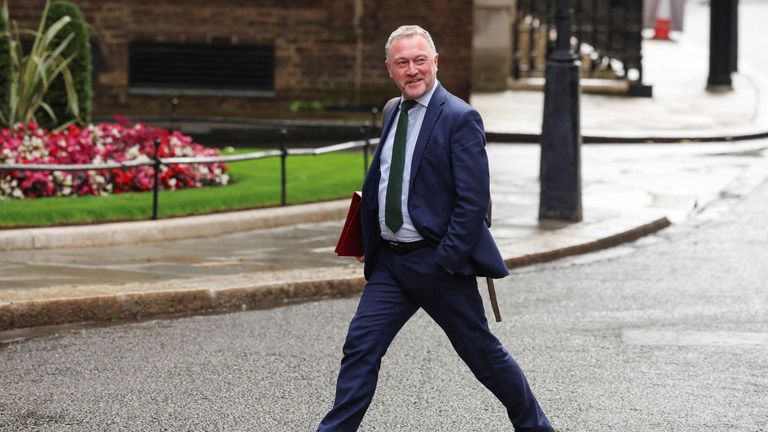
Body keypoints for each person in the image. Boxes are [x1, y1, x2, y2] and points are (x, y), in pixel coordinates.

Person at [317, 25, 555, 432]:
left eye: (420, 60)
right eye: (403, 63)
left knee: (482, 354)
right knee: (360, 348)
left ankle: (536, 428)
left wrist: (445, 259)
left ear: (435, 62)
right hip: (390, 264)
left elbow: (473, 200)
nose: (413, 70)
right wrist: (368, 237)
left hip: (436, 263)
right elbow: (385, 180)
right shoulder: (394, 110)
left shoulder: (460, 117)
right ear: (390, 69)